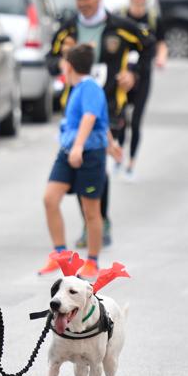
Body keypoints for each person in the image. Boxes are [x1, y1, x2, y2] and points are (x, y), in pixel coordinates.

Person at [44, 0, 150, 267]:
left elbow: (147, 44)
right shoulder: (69, 29)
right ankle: (94, 221)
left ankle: (97, 222)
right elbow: (50, 59)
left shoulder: (119, 26)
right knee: (86, 167)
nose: (83, 6)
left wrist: (133, 72)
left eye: (88, 1)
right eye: (79, 1)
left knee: (93, 163)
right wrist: (64, 61)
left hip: (110, 105)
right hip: (75, 106)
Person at [40, 44, 122, 283]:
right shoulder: (77, 88)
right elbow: (100, 122)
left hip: (88, 154)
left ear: (70, 65)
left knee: (91, 211)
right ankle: (60, 255)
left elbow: (90, 117)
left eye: (64, 62)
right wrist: (111, 143)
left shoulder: (90, 88)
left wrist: (79, 146)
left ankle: (92, 261)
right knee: (50, 198)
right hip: (68, 151)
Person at [118, 0, 167, 180]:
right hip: (121, 74)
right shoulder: (120, 16)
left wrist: (161, 58)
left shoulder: (154, 19)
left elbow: (161, 43)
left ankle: (131, 164)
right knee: (120, 118)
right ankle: (118, 155)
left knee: (136, 121)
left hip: (143, 73)